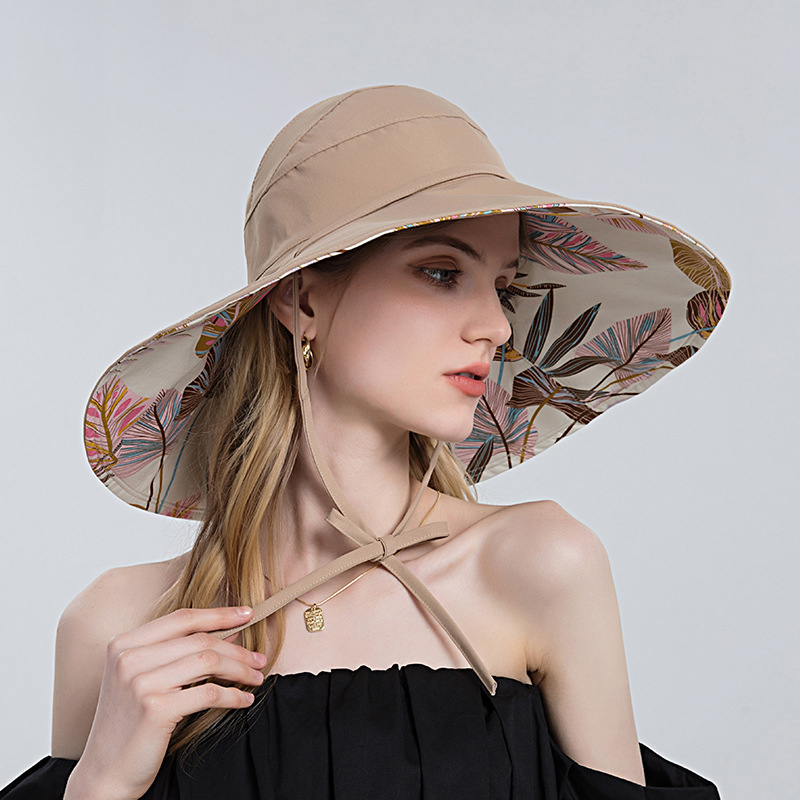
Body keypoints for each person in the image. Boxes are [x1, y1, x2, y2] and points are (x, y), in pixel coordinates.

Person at [1, 85, 729, 799]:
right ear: (303, 300)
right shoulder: (118, 625)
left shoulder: (538, 565)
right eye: (442, 273)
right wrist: (100, 784)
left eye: (503, 287)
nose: (497, 327)